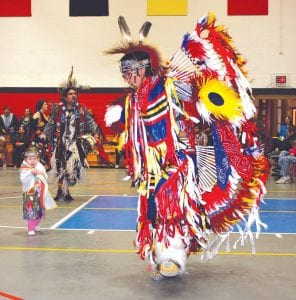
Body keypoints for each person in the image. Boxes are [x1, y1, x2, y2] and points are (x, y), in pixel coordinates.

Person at [105, 14, 268, 279]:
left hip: (175, 161)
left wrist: (207, 102)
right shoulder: (131, 100)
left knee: (172, 207)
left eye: (130, 72)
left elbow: (196, 98)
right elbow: (131, 129)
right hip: (149, 169)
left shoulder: (166, 86)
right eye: (123, 73)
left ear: (143, 68)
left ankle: (172, 255)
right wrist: (117, 117)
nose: (127, 78)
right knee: (153, 210)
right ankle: (160, 253)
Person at [42, 77, 97, 201]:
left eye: (75, 94)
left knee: (72, 169)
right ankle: (62, 192)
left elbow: (90, 122)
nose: (73, 96)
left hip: (76, 145)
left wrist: (95, 133)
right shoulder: (58, 110)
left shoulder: (81, 109)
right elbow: (50, 125)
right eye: (70, 94)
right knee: (60, 167)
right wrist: (44, 135)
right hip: (61, 143)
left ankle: (67, 187)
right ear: (65, 97)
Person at [19, 147, 56, 236]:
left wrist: (41, 173)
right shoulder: (24, 168)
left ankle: (36, 225)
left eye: (35, 158)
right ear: (25, 159)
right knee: (31, 210)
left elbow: (45, 177)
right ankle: (30, 228)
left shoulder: (40, 166)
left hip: (40, 193)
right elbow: (23, 179)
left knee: (39, 210)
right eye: (30, 159)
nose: (32, 161)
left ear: (38, 159)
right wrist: (31, 172)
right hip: (30, 194)